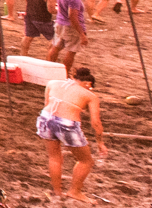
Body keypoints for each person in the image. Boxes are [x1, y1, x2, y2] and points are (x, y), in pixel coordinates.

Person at [35, 67, 105, 202]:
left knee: (54, 157)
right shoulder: (90, 95)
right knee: (86, 161)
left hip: (45, 118)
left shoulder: (52, 83)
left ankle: (57, 192)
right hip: (66, 124)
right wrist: (100, 142)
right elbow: (96, 123)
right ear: (88, 83)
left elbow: (47, 104)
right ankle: (74, 191)